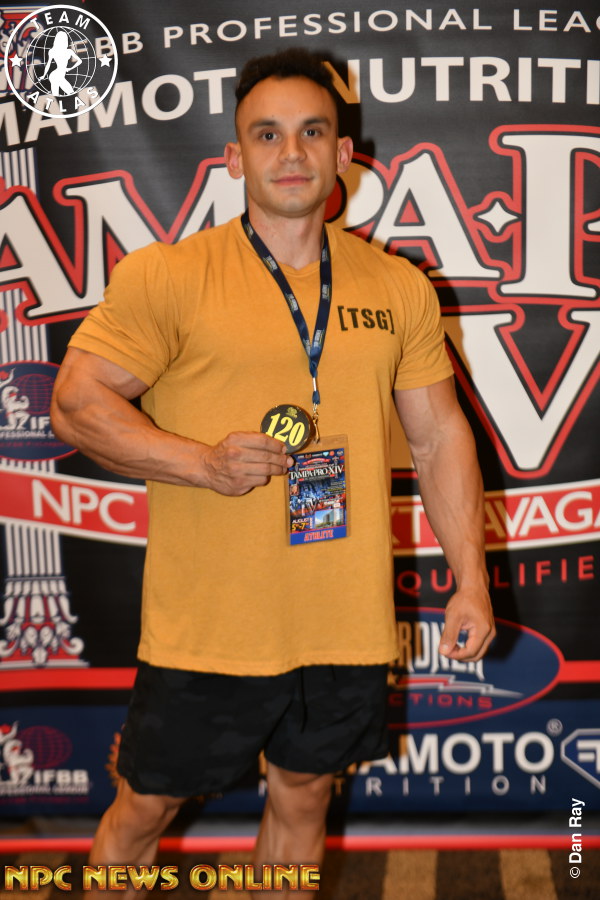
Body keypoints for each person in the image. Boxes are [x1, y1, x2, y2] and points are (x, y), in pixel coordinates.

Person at [51, 48, 495, 886]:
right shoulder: (171, 275)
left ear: (343, 153)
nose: (291, 153)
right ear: (234, 157)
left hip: (344, 622)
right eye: (267, 135)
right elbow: (76, 403)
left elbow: (439, 437)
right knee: (142, 812)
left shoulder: (398, 286)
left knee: (304, 802)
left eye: (312, 132)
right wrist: (201, 463)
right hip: (209, 627)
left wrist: (471, 579)